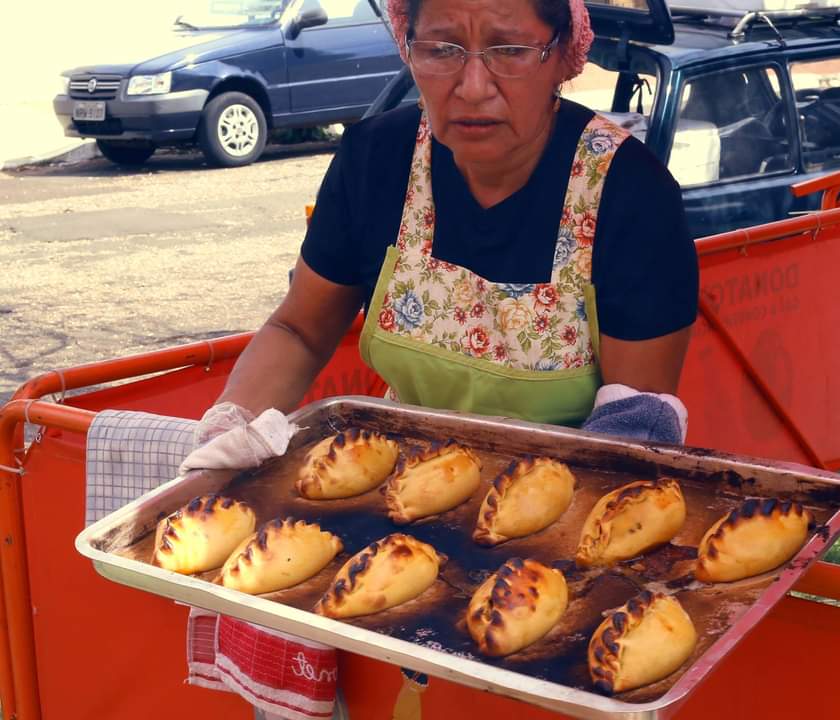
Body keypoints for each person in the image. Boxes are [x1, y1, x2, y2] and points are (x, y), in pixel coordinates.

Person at [181, 0, 699, 717]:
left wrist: (569, 548)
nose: (473, 85)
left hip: (565, 541)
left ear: (563, 54)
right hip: (390, 517)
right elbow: (300, 330)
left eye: (510, 50)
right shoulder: (378, 163)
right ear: (407, 46)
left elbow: (639, 411)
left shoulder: (628, 193)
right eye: (443, 49)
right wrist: (231, 422)